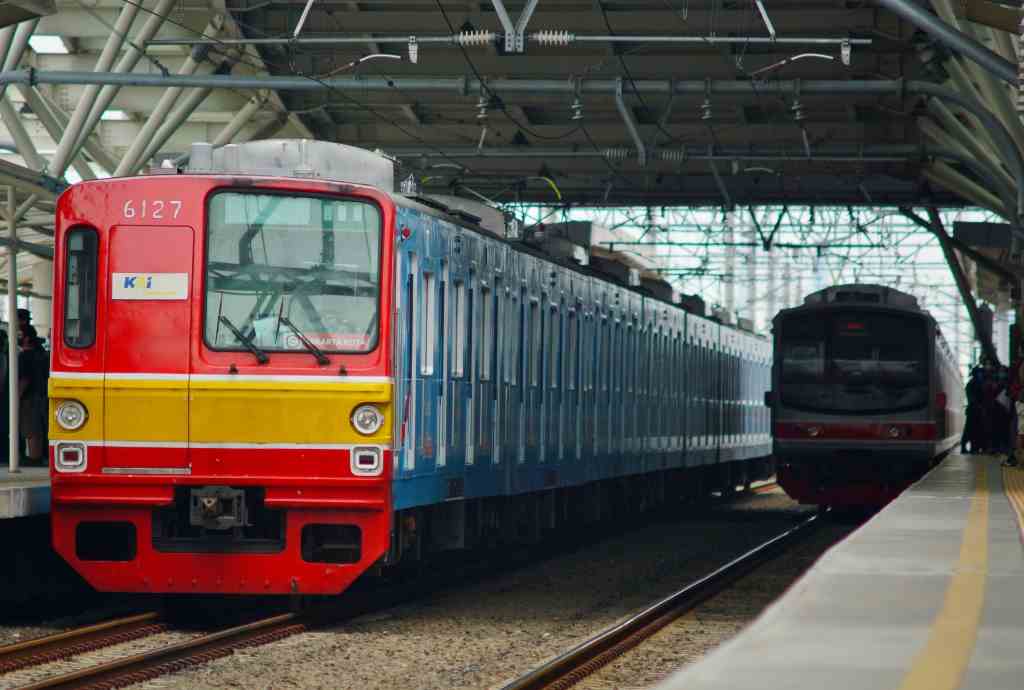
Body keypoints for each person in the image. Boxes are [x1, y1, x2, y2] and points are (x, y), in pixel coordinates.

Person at [17, 324, 47, 465]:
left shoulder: (25, 356)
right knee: (37, 426)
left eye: (20, 335)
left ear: (27, 338)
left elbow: (24, 379)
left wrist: (16, 396)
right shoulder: (40, 354)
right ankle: (37, 456)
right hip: (40, 394)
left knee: (31, 428)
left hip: (29, 397)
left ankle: (34, 458)